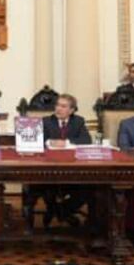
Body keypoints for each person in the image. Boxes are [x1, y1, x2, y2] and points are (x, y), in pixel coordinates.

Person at [37, 93, 91, 227]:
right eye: (57, 105)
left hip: (73, 169)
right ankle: (62, 213)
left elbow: (86, 140)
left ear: (71, 110)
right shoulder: (45, 121)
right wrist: (49, 142)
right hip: (48, 170)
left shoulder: (78, 121)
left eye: (63, 106)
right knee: (47, 189)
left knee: (88, 190)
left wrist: (66, 143)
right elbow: (37, 141)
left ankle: (60, 211)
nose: (58, 109)